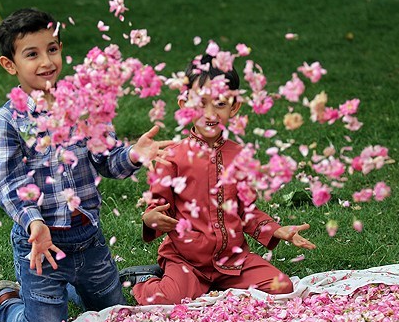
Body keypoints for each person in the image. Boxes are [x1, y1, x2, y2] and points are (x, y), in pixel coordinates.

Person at [0, 8, 172, 322]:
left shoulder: (84, 105)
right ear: (10, 64)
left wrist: (133, 155)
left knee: (115, 317)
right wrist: (34, 224)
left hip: (88, 239)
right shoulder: (8, 120)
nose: (46, 62)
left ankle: (72, 288)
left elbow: (106, 159)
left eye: (53, 50)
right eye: (32, 54)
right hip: (41, 243)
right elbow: (10, 184)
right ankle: (10, 302)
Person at [124, 53, 316, 306]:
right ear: (184, 105)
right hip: (187, 262)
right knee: (163, 300)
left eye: (220, 104)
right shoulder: (171, 157)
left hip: (233, 260)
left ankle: (205, 287)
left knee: (282, 286)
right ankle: (145, 279)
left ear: (235, 107)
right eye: (201, 103)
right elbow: (158, 210)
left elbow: (245, 212)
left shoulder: (239, 156)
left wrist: (278, 230)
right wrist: (150, 220)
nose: (210, 113)